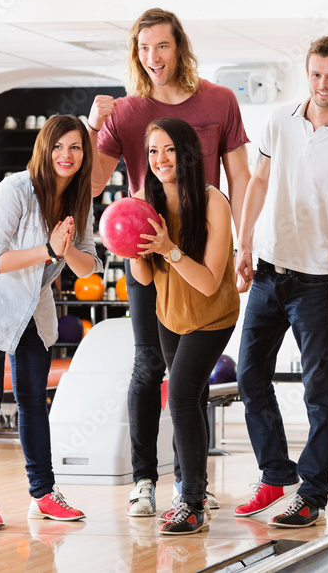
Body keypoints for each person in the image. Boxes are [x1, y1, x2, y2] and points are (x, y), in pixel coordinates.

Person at [86, 8, 250, 518]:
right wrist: (94, 127)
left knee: (188, 376)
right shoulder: (127, 112)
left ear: (179, 46)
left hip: (201, 246)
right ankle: (143, 480)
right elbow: (91, 183)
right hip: (147, 248)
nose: (153, 58)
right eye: (143, 48)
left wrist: (244, 247)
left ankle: (190, 481)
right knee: (150, 366)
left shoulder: (220, 100)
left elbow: (240, 177)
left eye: (162, 46)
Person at [232, 35, 328, 528]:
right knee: (249, 375)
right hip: (269, 271)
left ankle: (311, 494)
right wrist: (244, 244)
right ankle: (276, 472)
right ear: (307, 73)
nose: (322, 84)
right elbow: (257, 182)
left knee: (320, 392)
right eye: (316, 74)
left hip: (316, 281)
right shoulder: (278, 122)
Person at [0, 114, 102, 529]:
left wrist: (66, 249)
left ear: (84, 154)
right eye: (57, 146)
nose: (65, 155)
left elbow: (88, 267)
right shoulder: (15, 189)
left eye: (75, 147)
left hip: (33, 306)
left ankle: (44, 494)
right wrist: (49, 249)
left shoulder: (79, 199)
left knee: (34, 401)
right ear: (44, 149)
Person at [128, 118, 240, 535]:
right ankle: (196, 493)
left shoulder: (213, 202)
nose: (160, 160)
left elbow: (210, 282)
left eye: (170, 150)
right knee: (188, 400)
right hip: (170, 315)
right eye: (153, 152)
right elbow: (142, 279)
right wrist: (132, 247)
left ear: (188, 153)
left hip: (213, 316)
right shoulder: (144, 200)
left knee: (179, 397)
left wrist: (167, 248)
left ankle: (191, 501)